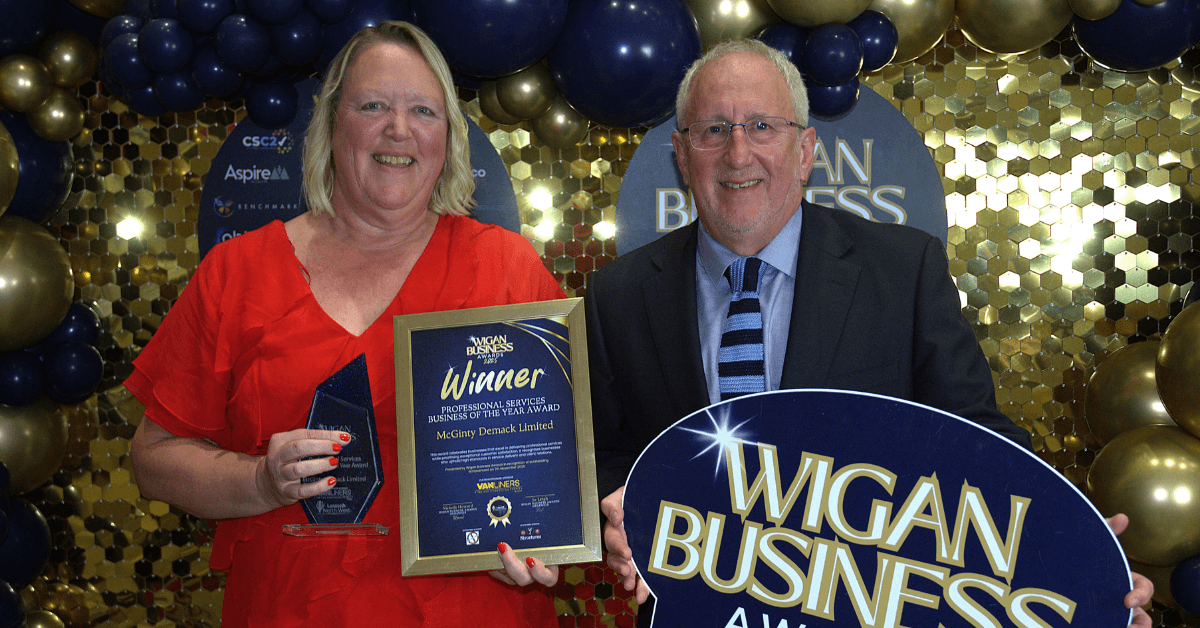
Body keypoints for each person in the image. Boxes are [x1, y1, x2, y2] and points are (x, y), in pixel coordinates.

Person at [585, 38, 1153, 627]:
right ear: (681, 154)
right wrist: (617, 512)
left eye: (762, 126)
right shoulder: (617, 296)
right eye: (712, 130)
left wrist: (1078, 561)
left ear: (805, 149)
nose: (738, 152)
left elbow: (979, 446)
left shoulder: (905, 271)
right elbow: (605, 455)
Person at [127, 22, 561, 627]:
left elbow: (559, 465)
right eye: (372, 105)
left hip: (470, 608)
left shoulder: (508, 269)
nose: (398, 129)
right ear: (332, 124)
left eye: (423, 110)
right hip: (285, 609)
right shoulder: (237, 271)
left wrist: (533, 540)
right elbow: (153, 459)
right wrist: (259, 481)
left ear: (449, 137)